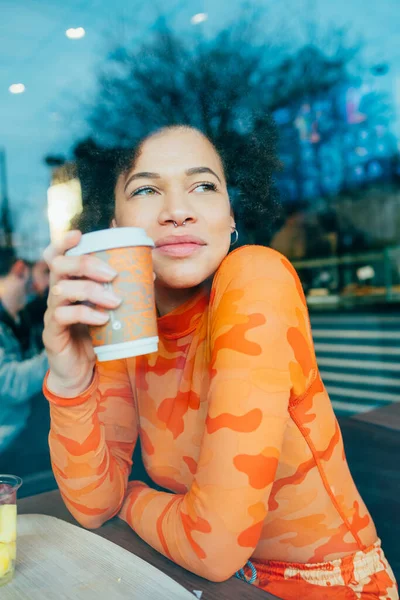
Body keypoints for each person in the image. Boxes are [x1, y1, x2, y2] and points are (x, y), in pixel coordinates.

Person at [42, 126, 397, 599]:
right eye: (147, 189)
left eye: (204, 186)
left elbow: (210, 548)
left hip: (328, 588)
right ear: (114, 225)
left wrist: (128, 497)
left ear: (230, 216)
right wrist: (69, 379)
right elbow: (89, 503)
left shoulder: (255, 275)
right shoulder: (127, 325)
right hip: (211, 586)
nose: (178, 212)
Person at [0, 248, 48, 455]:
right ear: (19, 269)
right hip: (10, 439)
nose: (39, 286)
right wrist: (58, 354)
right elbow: (11, 384)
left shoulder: (21, 318)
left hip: (24, 427)